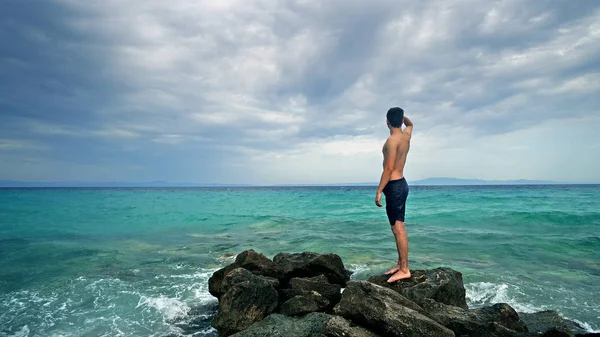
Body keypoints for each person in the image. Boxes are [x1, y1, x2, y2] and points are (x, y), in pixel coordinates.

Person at [375, 107, 413, 283]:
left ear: (386, 121)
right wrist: (402, 118)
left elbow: (389, 168)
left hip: (394, 186)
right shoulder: (406, 136)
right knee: (397, 228)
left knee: (398, 229)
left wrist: (379, 191)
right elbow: (410, 124)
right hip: (401, 184)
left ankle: (405, 269)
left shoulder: (392, 141)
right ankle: (400, 264)